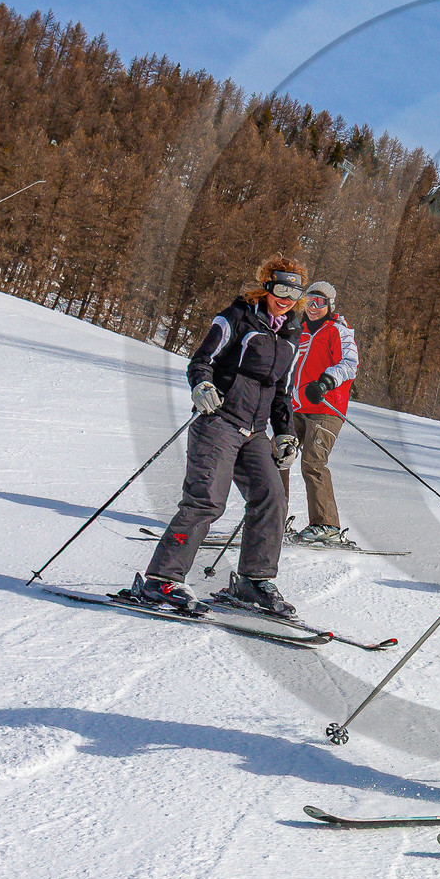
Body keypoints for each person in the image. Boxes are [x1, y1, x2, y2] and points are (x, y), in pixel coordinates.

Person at [135, 256, 305, 620]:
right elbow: (201, 360)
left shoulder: (292, 334)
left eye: (295, 291)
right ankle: (162, 579)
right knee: (206, 501)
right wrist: (202, 385)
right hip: (220, 422)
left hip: (255, 432)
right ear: (267, 286)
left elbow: (281, 392)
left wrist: (286, 435)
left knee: (272, 497)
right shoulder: (238, 317)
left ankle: (253, 581)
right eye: (281, 288)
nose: (287, 297)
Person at [281, 280, 359, 545]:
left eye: (320, 303)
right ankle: (271, 517)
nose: (314, 307)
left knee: (313, 462)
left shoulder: (338, 331)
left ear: (330, 306)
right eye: (310, 301)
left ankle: (326, 525)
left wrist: (325, 382)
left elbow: (350, 364)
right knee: (278, 454)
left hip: (327, 408)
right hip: (298, 406)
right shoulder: (298, 331)